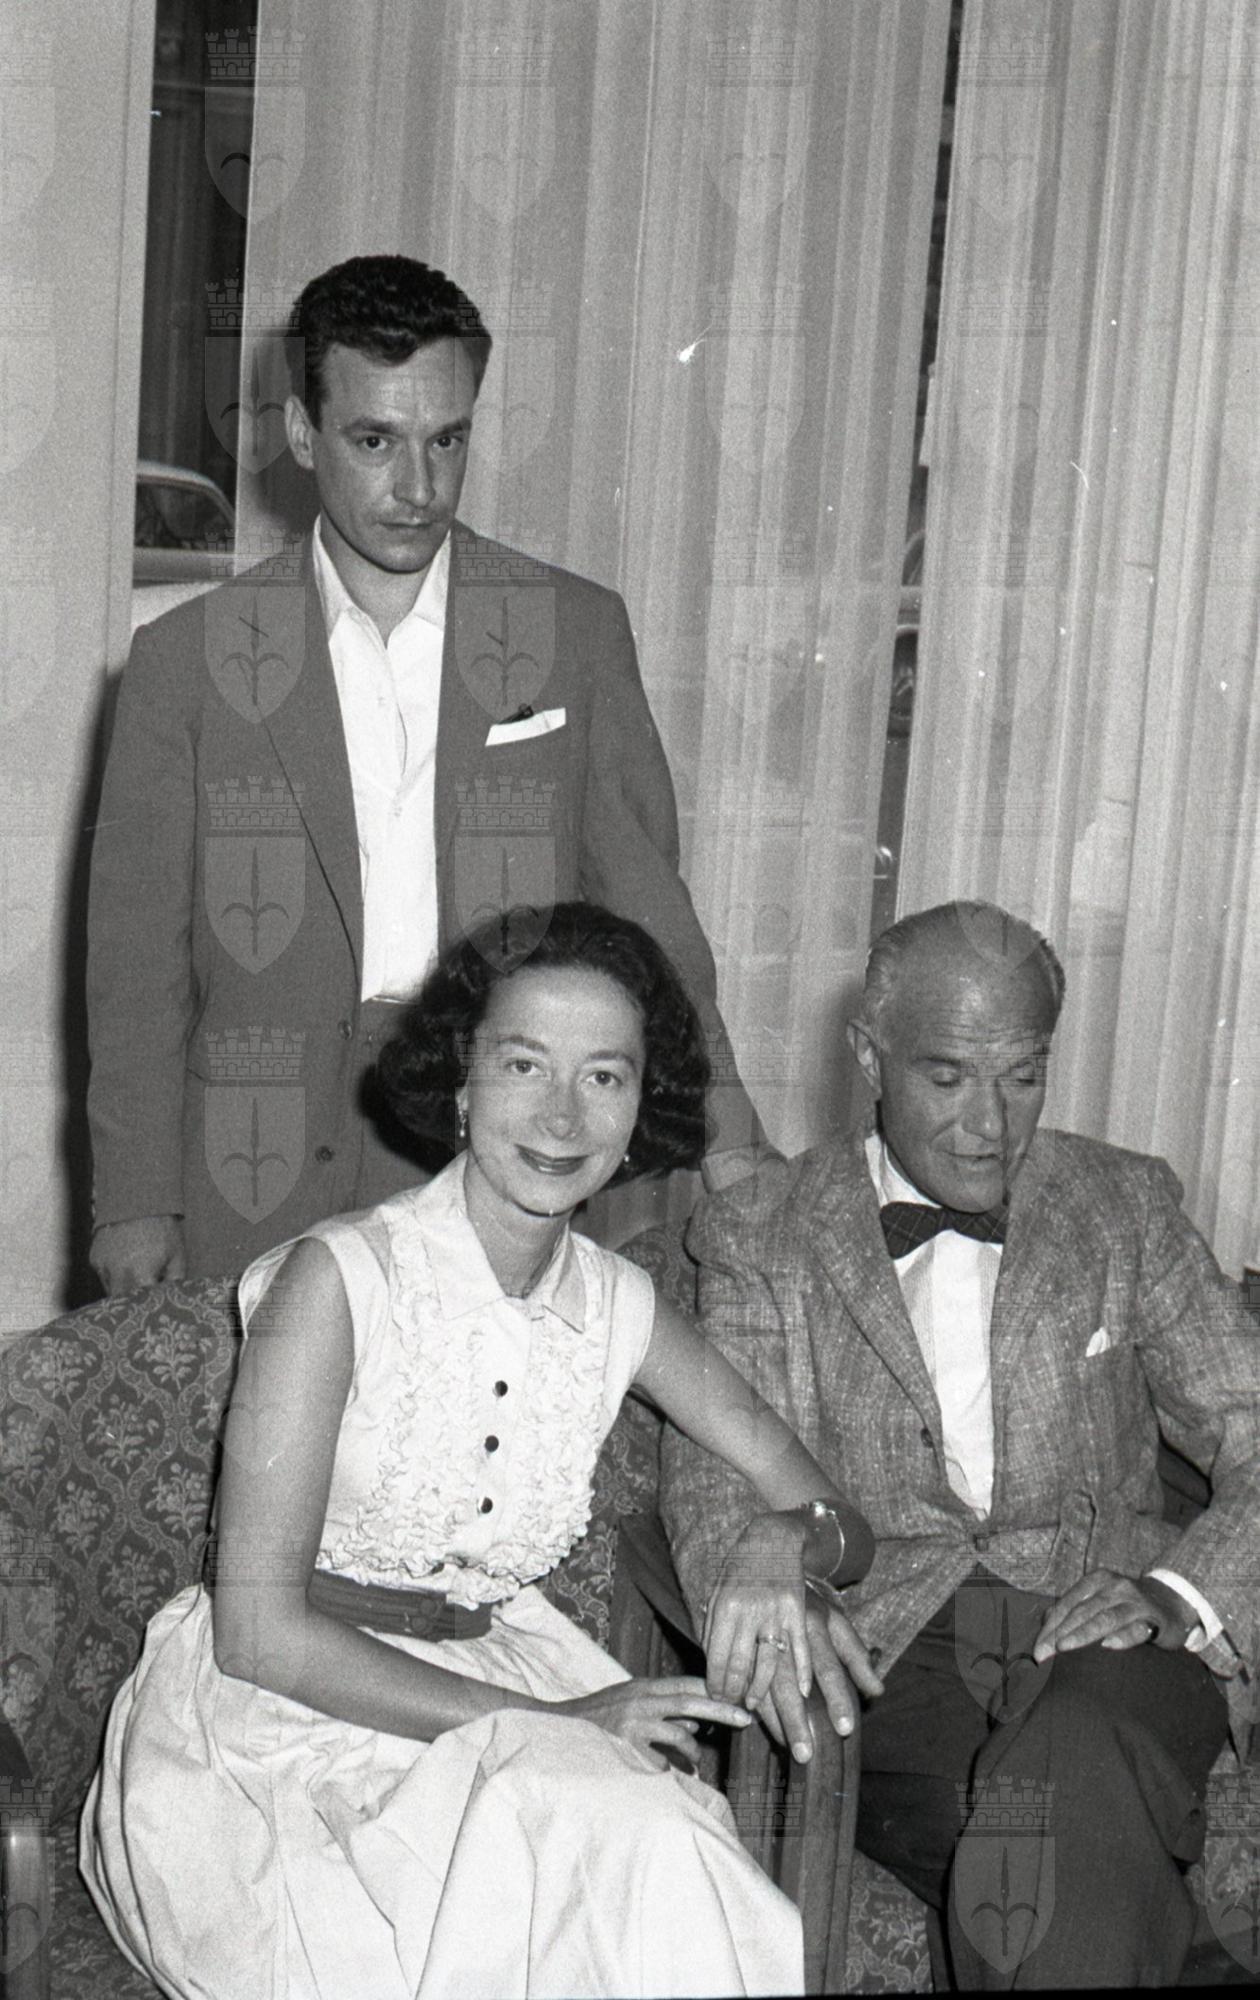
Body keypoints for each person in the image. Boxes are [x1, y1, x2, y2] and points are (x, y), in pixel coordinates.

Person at [80, 903, 873, 2000]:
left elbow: (843, 1520)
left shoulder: (622, 1306)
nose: (562, 1114)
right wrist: (555, 1723)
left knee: (647, 1859)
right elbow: (258, 1634)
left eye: (604, 1076)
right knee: (591, 1877)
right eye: (522, 1064)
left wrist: (784, 1542)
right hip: (285, 1732)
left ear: (643, 1106)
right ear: (460, 1083)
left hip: (508, 1686)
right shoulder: (335, 1282)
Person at [87, 253, 765, 1294]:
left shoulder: (573, 634)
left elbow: (651, 921)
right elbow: (137, 967)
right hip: (252, 1168)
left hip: (499, 1152)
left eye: (446, 440)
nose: (418, 487)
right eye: (375, 441)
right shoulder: (185, 663)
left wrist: (730, 1141)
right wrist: (135, 1200)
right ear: (302, 433)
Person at [662, 899, 1260, 1989]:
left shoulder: (1124, 1204)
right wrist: (758, 1570)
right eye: (947, 1078)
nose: (991, 1123)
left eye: (1023, 1075)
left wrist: (1180, 1594)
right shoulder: (763, 1231)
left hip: (1115, 1635)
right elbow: (716, 1476)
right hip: (891, 1654)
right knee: (1064, 1837)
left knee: (1065, 1774)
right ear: (869, 1058)